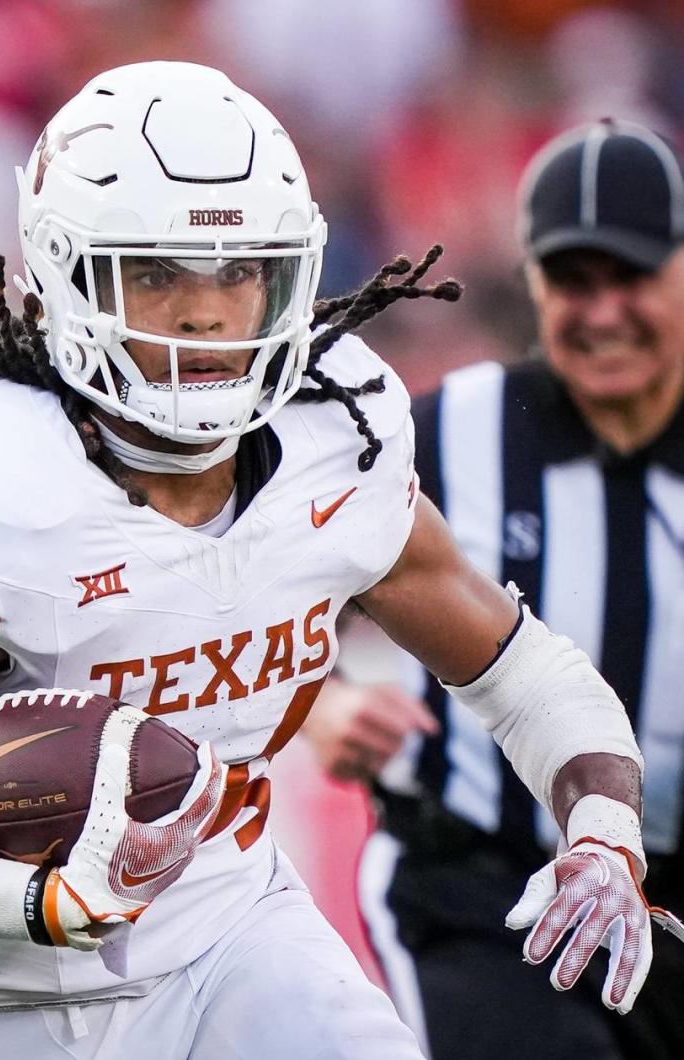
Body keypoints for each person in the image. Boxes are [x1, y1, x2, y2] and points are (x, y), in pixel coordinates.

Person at [0, 65, 672, 1060]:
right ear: (69, 275)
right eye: (158, 272)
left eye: (241, 271)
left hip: (234, 936)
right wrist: (47, 898)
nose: (206, 314)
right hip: (5, 998)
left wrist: (600, 829)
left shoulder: (339, 445)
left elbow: (520, 671)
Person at [305, 117, 684, 1059]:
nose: (601, 314)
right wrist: (326, 705)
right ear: (533, 283)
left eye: (630, 278)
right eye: (571, 282)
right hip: (478, 880)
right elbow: (278, 596)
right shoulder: (448, 434)